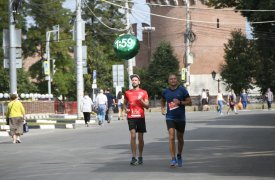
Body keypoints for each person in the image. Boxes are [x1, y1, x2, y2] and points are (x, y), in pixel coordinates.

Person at [161, 73, 192, 167]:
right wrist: (162, 108)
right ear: (168, 81)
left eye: (174, 79)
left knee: (180, 138)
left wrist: (180, 102)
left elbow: (190, 102)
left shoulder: (182, 90)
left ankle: (179, 155)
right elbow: (162, 100)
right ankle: (173, 158)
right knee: (171, 137)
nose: (173, 80)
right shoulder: (165, 91)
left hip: (181, 118)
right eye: (171, 79)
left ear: (177, 80)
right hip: (170, 117)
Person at [124, 74, 149, 166]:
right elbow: (125, 103)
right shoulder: (127, 92)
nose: (134, 81)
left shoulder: (144, 92)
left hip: (140, 117)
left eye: (135, 80)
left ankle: (140, 156)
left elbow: (147, 106)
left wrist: (141, 100)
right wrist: (125, 109)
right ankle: (134, 157)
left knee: (140, 138)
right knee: (133, 135)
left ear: (139, 82)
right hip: (131, 117)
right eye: (133, 80)